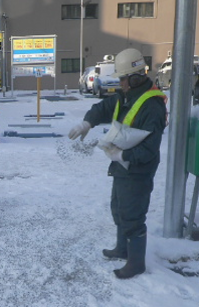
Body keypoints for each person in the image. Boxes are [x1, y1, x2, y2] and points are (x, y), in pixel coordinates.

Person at [68, 48, 167, 279]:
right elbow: (103, 107)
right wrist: (87, 123)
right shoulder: (126, 96)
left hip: (138, 169)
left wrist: (124, 157)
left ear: (134, 78)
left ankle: (136, 263)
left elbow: (149, 148)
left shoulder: (152, 105)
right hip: (122, 166)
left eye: (122, 78)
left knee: (132, 214)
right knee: (119, 208)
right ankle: (123, 248)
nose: (119, 83)